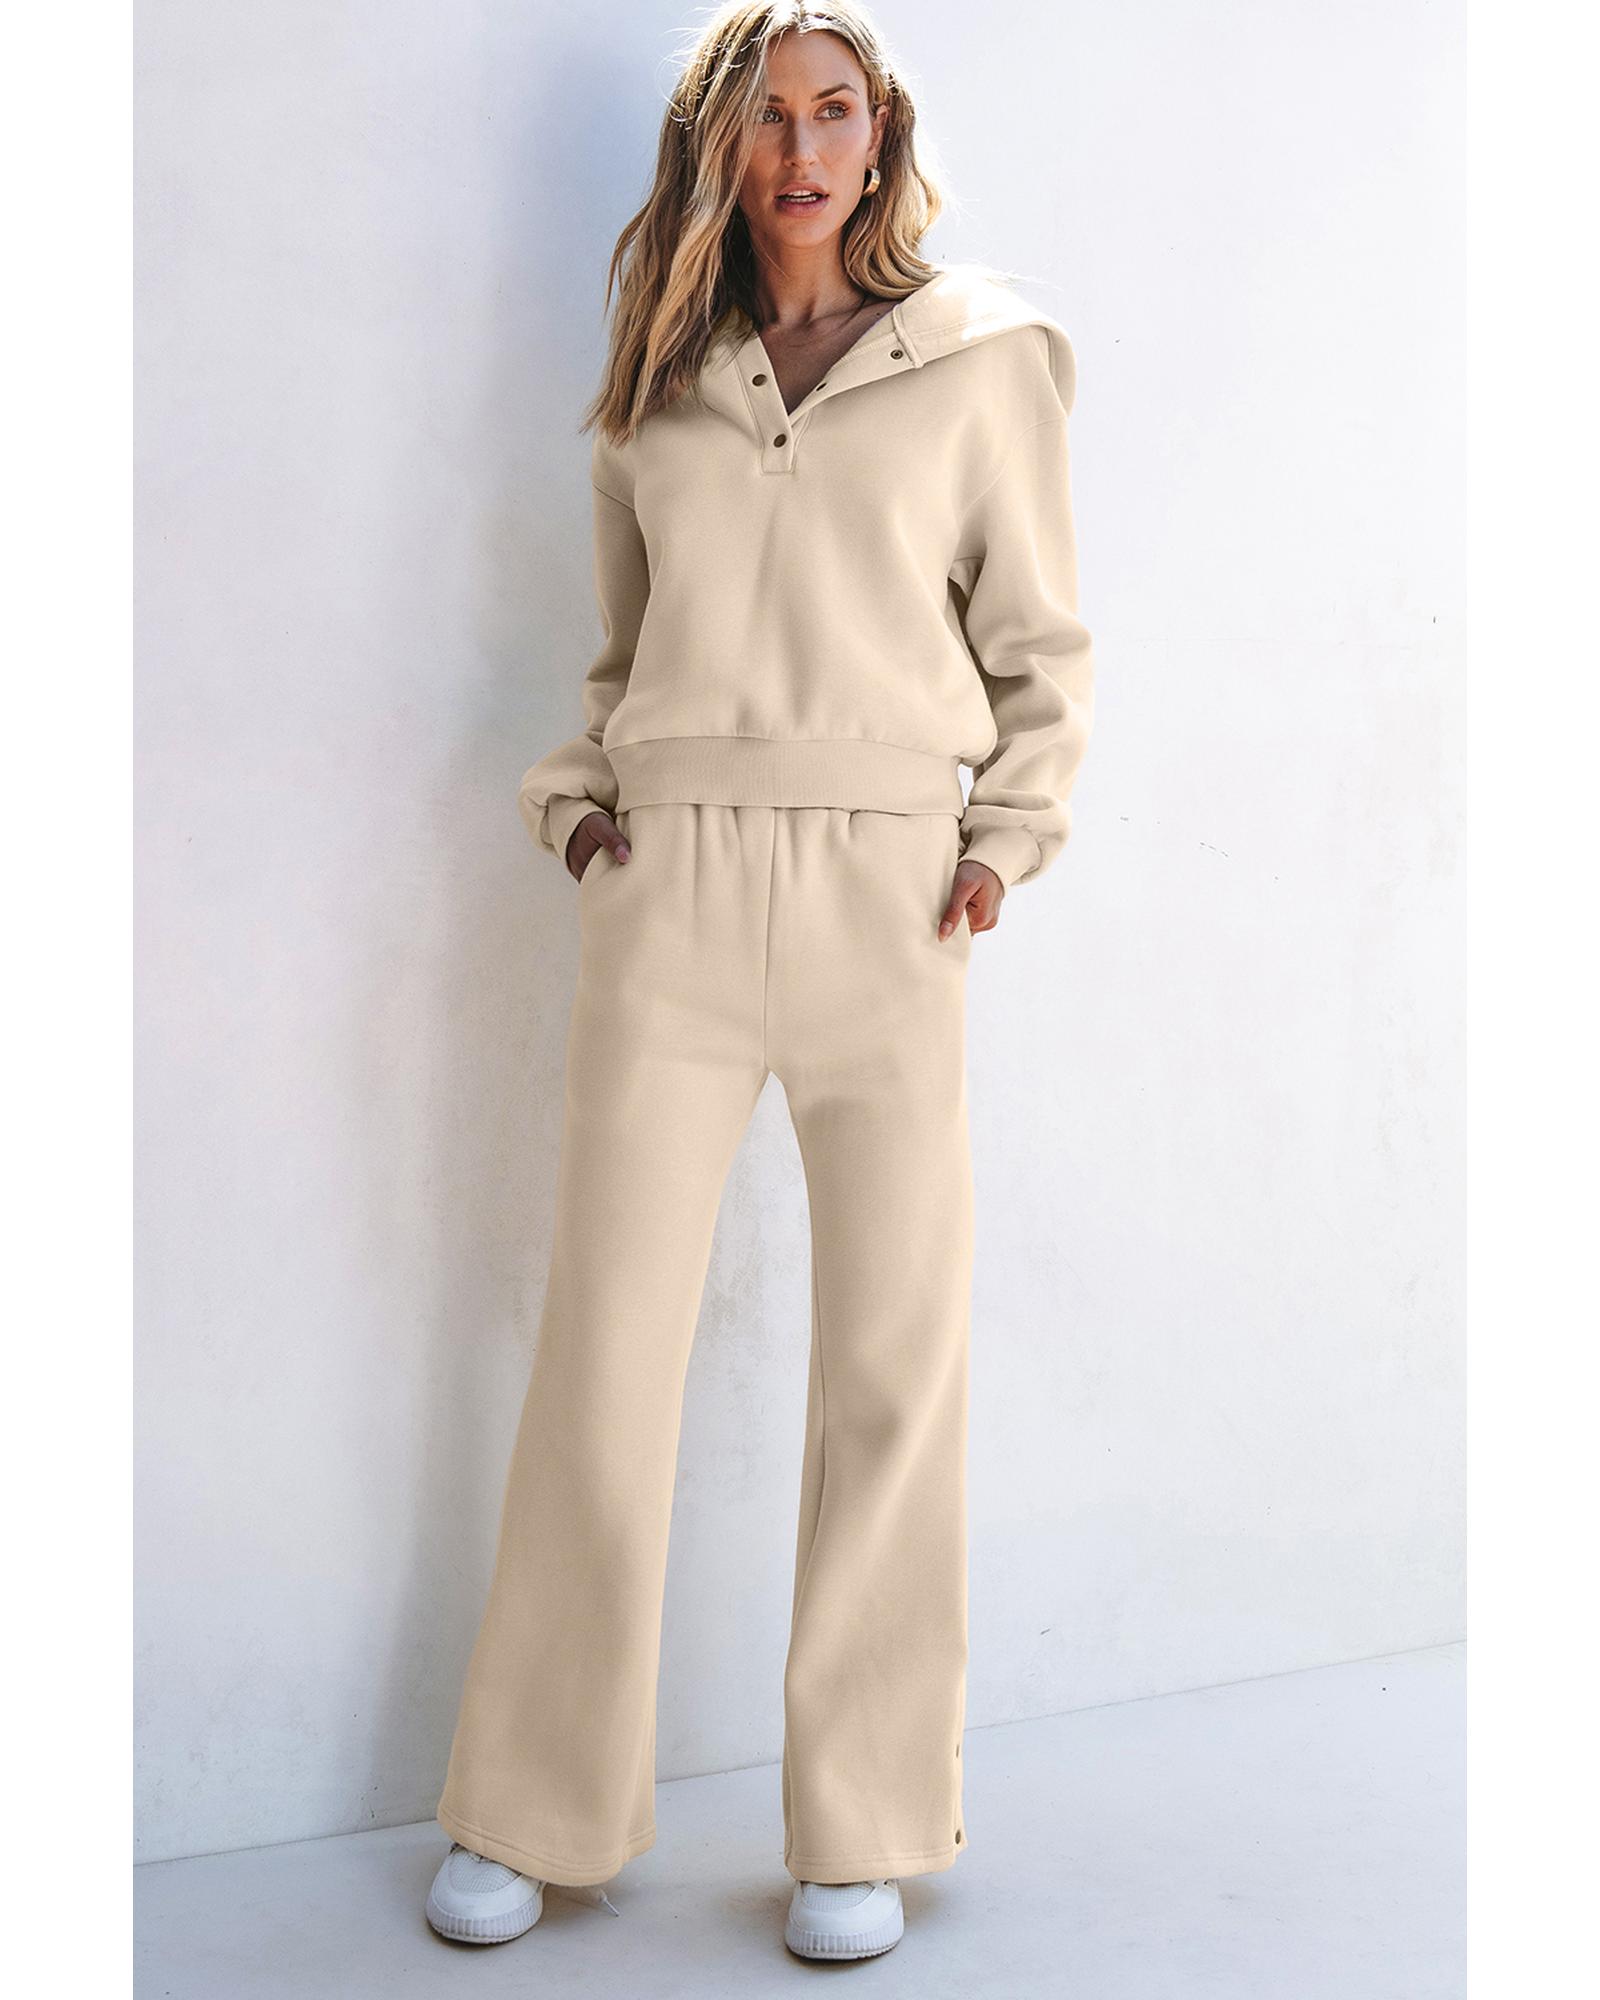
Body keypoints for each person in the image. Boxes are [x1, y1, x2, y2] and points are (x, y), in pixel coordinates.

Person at [425, 0, 1094, 1963]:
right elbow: (621, 665)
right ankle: (532, 1807)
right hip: (676, 891)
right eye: (766, 116)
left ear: (879, 133)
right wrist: (580, 817)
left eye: (832, 110)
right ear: (717, 146)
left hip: (890, 892)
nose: (801, 149)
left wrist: (998, 844)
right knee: (603, 1352)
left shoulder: (984, 355)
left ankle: (861, 1822)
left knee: (892, 1359)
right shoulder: (660, 385)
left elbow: (1045, 649)